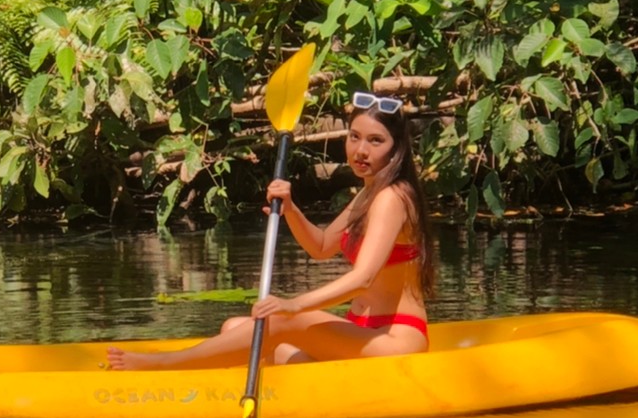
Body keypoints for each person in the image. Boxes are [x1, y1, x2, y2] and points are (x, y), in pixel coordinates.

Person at [107, 90, 435, 370]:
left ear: (396, 148)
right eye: (354, 137)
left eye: (376, 140)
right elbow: (321, 247)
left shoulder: (393, 197)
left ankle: (163, 366)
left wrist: (295, 305)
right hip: (360, 332)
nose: (361, 150)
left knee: (278, 320)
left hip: (393, 339)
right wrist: (290, 209)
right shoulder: (369, 193)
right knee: (235, 327)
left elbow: (363, 278)